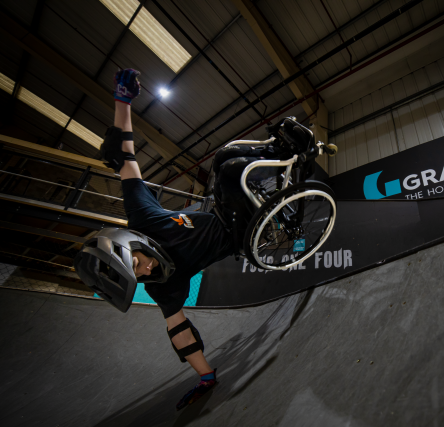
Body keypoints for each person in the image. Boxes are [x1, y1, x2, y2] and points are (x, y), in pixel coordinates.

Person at [75, 69, 315, 411]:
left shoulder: (142, 217)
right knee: (232, 171)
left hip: (220, 209)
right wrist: (205, 376)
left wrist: (122, 101)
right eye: (137, 276)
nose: (145, 270)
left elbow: (123, 159)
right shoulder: (163, 286)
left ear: (131, 242)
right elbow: (179, 331)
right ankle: (295, 160)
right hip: (240, 237)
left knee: (223, 159)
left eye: (137, 263)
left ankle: (289, 154)